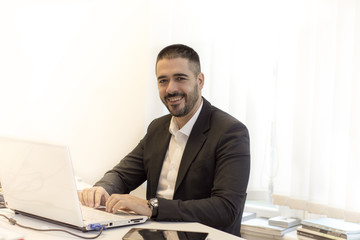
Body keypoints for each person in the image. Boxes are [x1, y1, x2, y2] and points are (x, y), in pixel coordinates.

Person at [78, 44, 250, 236]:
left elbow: (226, 209)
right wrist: (101, 189)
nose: (171, 89)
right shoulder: (157, 128)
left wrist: (152, 207)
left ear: (200, 81)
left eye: (180, 78)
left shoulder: (230, 132)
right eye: (163, 81)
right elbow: (122, 174)